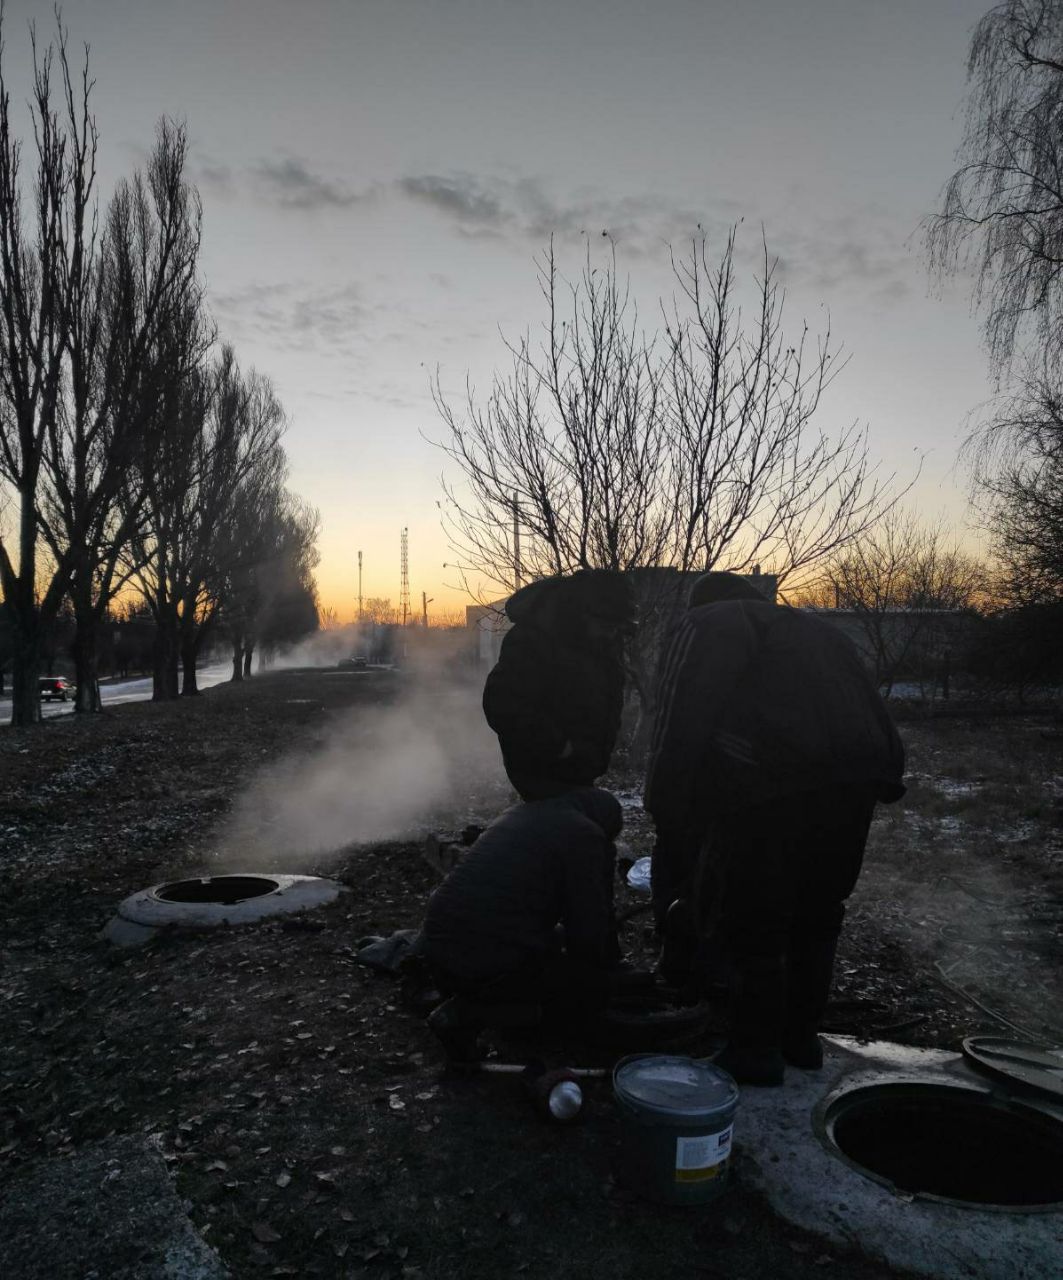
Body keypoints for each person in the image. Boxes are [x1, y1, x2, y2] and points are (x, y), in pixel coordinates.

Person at [644, 571, 906, 1086]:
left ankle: (755, 1052)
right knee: (819, 910)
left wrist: (666, 808)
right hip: (859, 775)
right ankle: (801, 1042)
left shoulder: (708, 620)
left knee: (754, 916)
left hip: (771, 776)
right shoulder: (813, 628)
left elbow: (679, 717)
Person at [422, 787, 623, 1062]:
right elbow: (588, 931)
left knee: (554, 941)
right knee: (587, 993)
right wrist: (605, 971)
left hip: (436, 954)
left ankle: (472, 996)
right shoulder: (584, 834)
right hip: (477, 962)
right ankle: (473, 1013)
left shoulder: (520, 814)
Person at [482, 569, 634, 801]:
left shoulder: (598, 642)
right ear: (582, 614)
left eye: (616, 628)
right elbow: (503, 704)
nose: (612, 634)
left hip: (579, 768)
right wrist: (558, 746)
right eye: (606, 626)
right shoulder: (533, 640)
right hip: (543, 772)